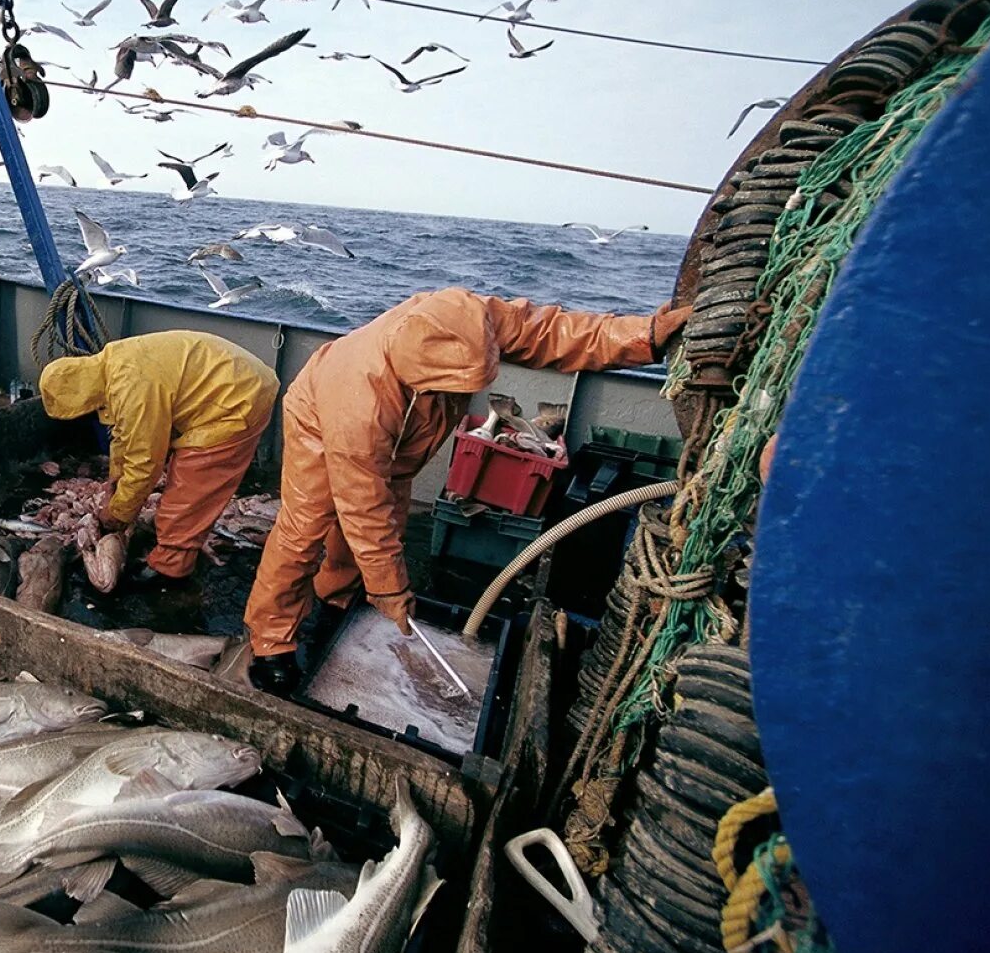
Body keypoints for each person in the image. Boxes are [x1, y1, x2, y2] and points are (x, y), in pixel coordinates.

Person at [241, 289, 691, 694]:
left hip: (402, 439)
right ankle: (271, 639)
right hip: (322, 421)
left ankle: (338, 596)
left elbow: (552, 332)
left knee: (389, 522)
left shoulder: (474, 318)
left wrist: (644, 337)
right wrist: (392, 588)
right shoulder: (359, 401)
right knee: (307, 526)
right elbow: (362, 505)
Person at [39, 331, 280, 585]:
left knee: (189, 490)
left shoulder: (132, 389)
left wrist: (118, 515)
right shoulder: (111, 364)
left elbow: (144, 464)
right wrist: (115, 481)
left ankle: (170, 569)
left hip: (237, 399)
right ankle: (172, 548)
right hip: (230, 381)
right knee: (177, 483)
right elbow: (125, 436)